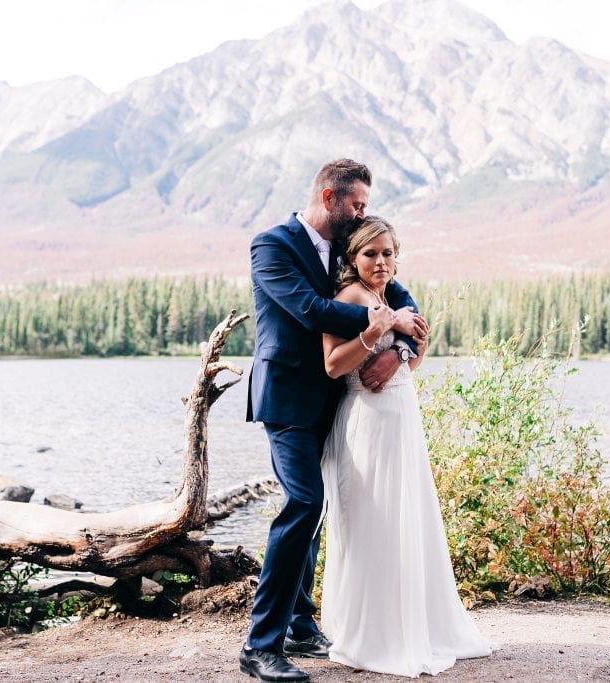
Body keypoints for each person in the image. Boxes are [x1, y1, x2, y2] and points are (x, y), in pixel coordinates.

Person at [241, 159, 428, 682]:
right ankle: (261, 645)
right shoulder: (272, 245)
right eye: (357, 205)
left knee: (323, 507)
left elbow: (400, 294)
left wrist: (405, 343)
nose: (363, 213)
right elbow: (308, 310)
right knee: (304, 501)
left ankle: (302, 623)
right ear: (330, 199)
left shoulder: (351, 248)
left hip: (342, 404)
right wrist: (386, 324)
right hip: (288, 400)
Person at [320, 216, 493, 677]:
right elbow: (335, 366)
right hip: (368, 422)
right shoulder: (349, 299)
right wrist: (375, 334)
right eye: (370, 254)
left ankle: (411, 622)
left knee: (405, 519)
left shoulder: (389, 297)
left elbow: (409, 363)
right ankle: (372, 632)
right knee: (373, 521)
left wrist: (406, 350)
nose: (381, 262)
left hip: (400, 417)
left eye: (388, 253)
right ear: (353, 259)